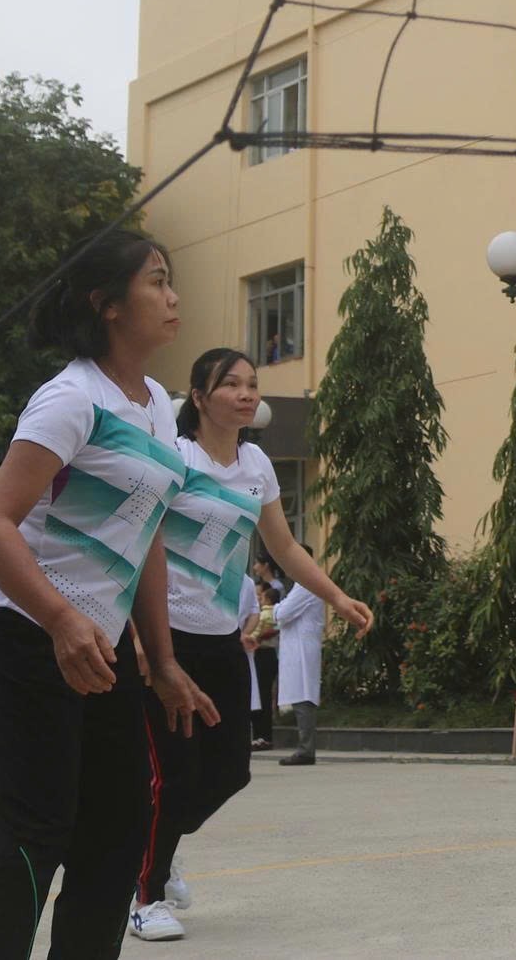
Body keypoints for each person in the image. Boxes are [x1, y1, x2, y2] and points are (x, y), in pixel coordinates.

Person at [0, 230, 218, 960]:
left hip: (98, 641)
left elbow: (146, 534)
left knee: (117, 826)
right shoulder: (70, 398)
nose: (173, 296)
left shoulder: (156, 405)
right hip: (29, 632)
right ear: (108, 305)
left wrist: (163, 661)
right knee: (29, 829)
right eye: (157, 280)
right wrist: (61, 619)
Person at [133, 347, 374, 941]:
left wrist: (337, 596)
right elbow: (138, 541)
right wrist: (141, 639)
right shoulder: (174, 455)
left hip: (221, 639)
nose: (246, 395)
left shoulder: (257, 464)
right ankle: (145, 896)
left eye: (252, 385)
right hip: (169, 636)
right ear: (198, 397)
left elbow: (284, 548)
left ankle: (156, 846)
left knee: (231, 771)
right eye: (231, 384)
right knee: (174, 775)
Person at [273, 579, 325, 766]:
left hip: (302, 648)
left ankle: (306, 749)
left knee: (304, 696)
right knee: (299, 695)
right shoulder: (301, 585)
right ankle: (305, 748)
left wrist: (275, 608)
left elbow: (282, 613)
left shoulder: (305, 584)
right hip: (298, 646)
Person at [247, 564, 282, 748]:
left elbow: (273, 629)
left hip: (265, 654)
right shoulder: (259, 613)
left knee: (263, 694)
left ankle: (264, 735)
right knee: (255, 694)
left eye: (259, 596)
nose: (258, 599)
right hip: (256, 653)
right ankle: (257, 734)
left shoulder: (270, 614)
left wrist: (255, 637)